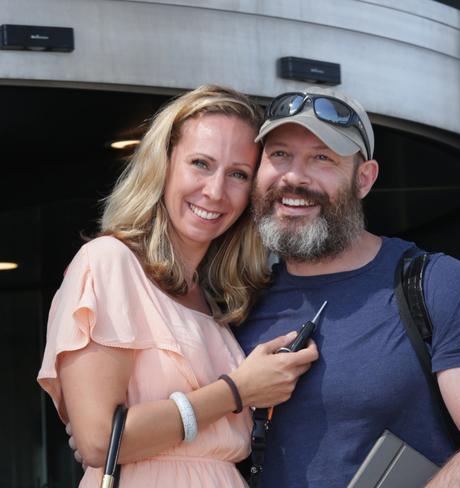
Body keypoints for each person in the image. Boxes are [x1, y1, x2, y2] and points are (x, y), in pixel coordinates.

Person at [234, 86, 460, 487]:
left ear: (364, 179)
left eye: (322, 157)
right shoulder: (239, 299)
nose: (294, 176)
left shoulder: (437, 286)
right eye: (279, 154)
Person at [37, 85, 318, 487]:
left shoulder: (212, 296)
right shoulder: (109, 262)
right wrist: (238, 390)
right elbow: (100, 440)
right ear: (164, 163)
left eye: (238, 174)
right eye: (200, 163)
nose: (216, 191)